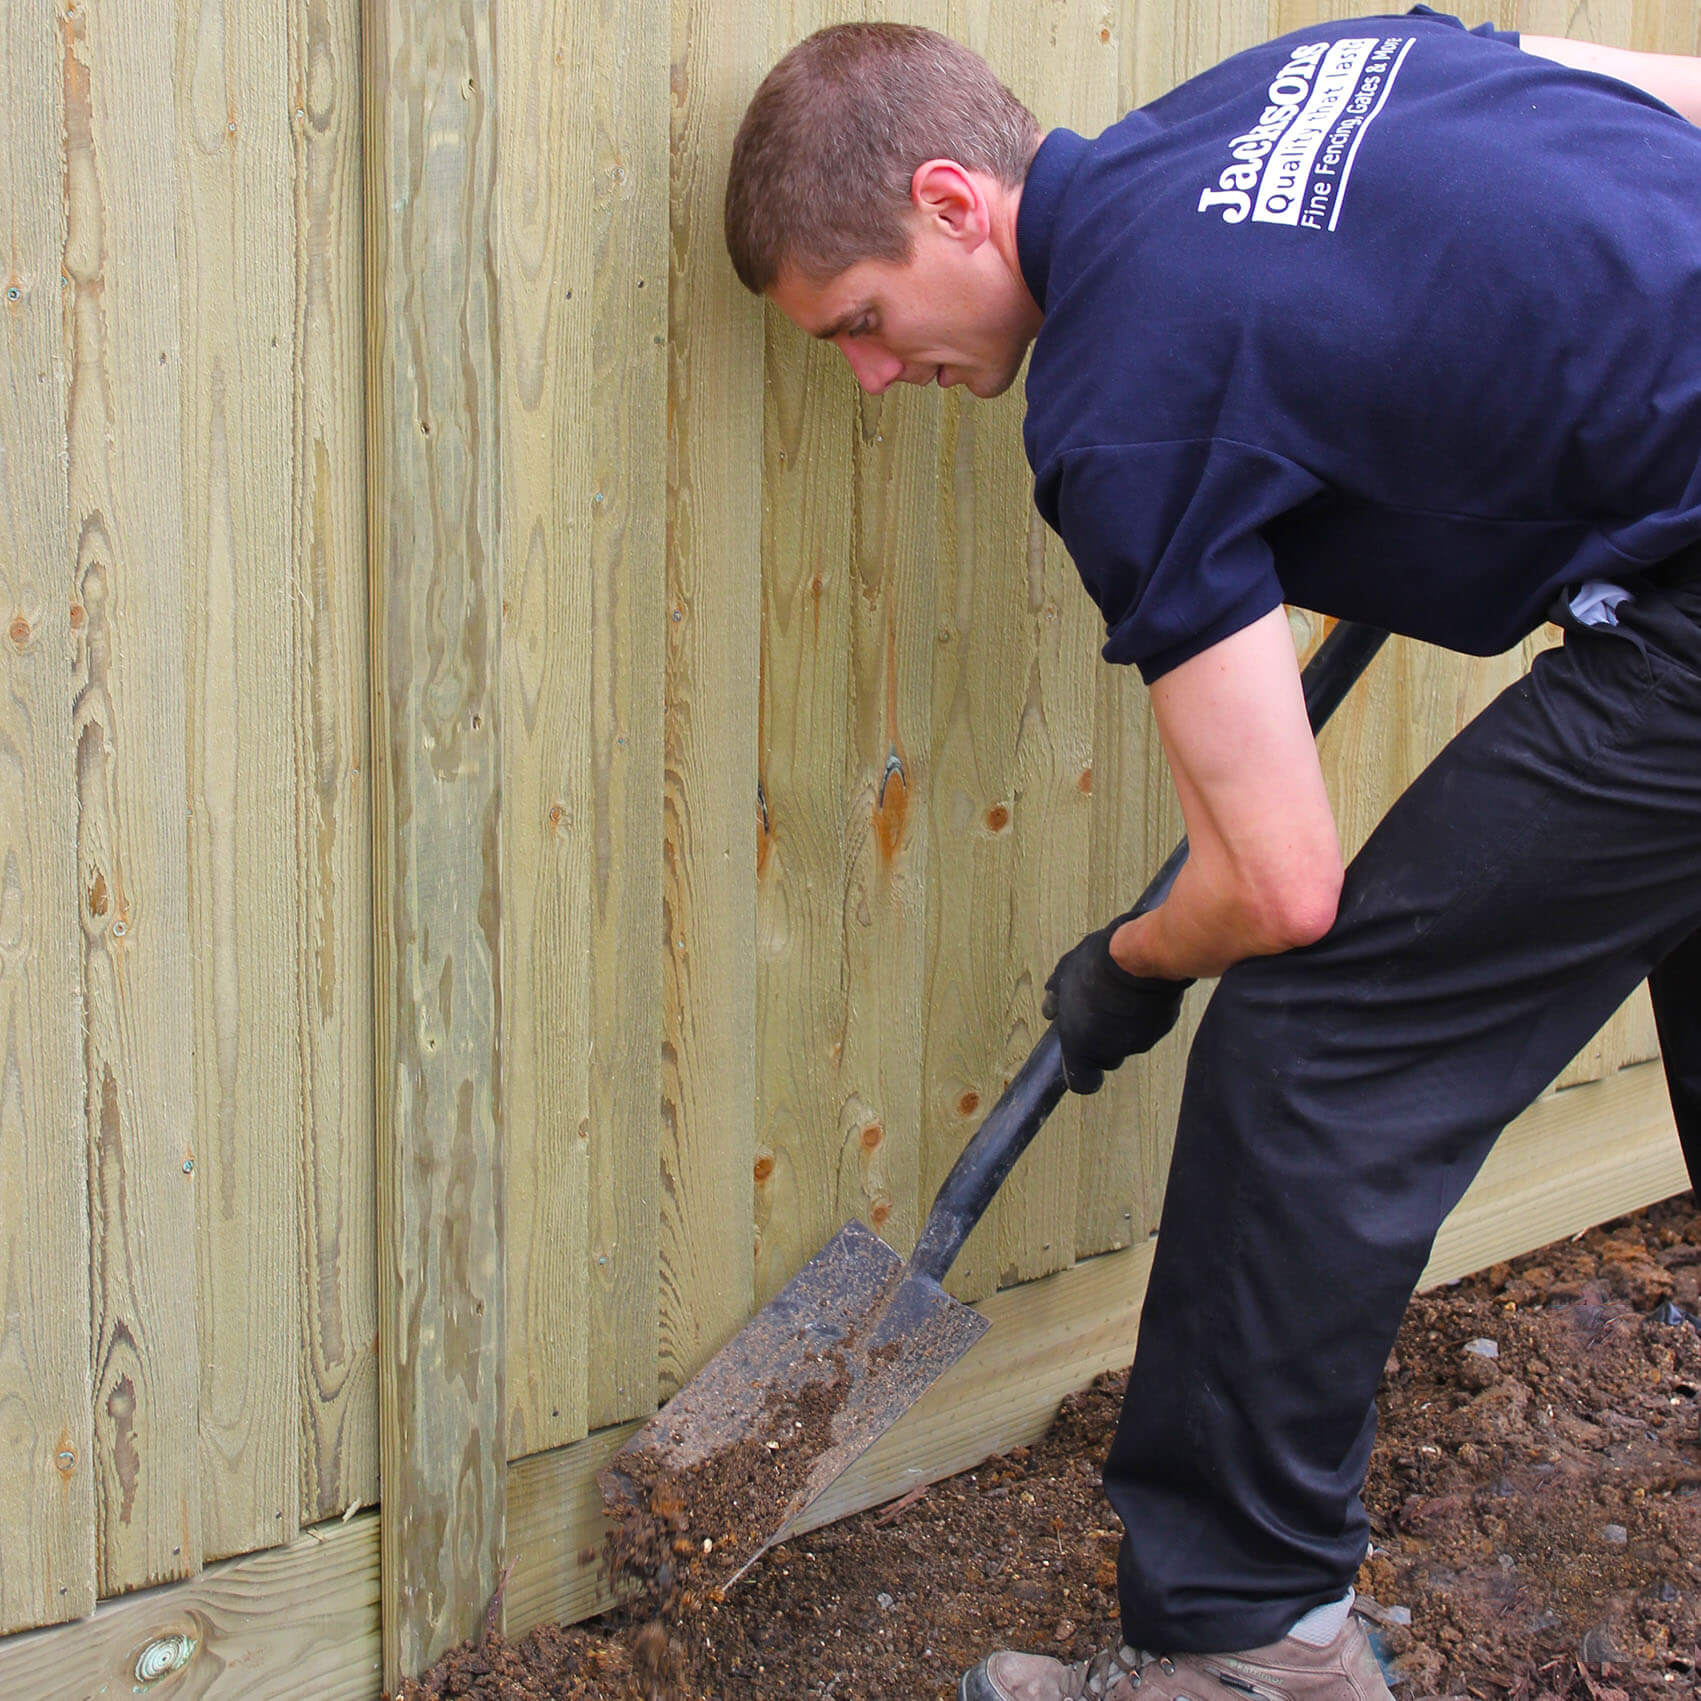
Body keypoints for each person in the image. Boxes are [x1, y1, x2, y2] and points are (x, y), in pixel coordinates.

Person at [724, 12, 1701, 1700]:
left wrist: (1124, 965)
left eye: (860, 323)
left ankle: (1247, 1643)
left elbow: (1277, 888)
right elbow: (1668, 91)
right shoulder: (1301, 71)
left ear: (951, 201)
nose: (872, 379)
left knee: (1317, 1050)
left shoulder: (1122, 402)